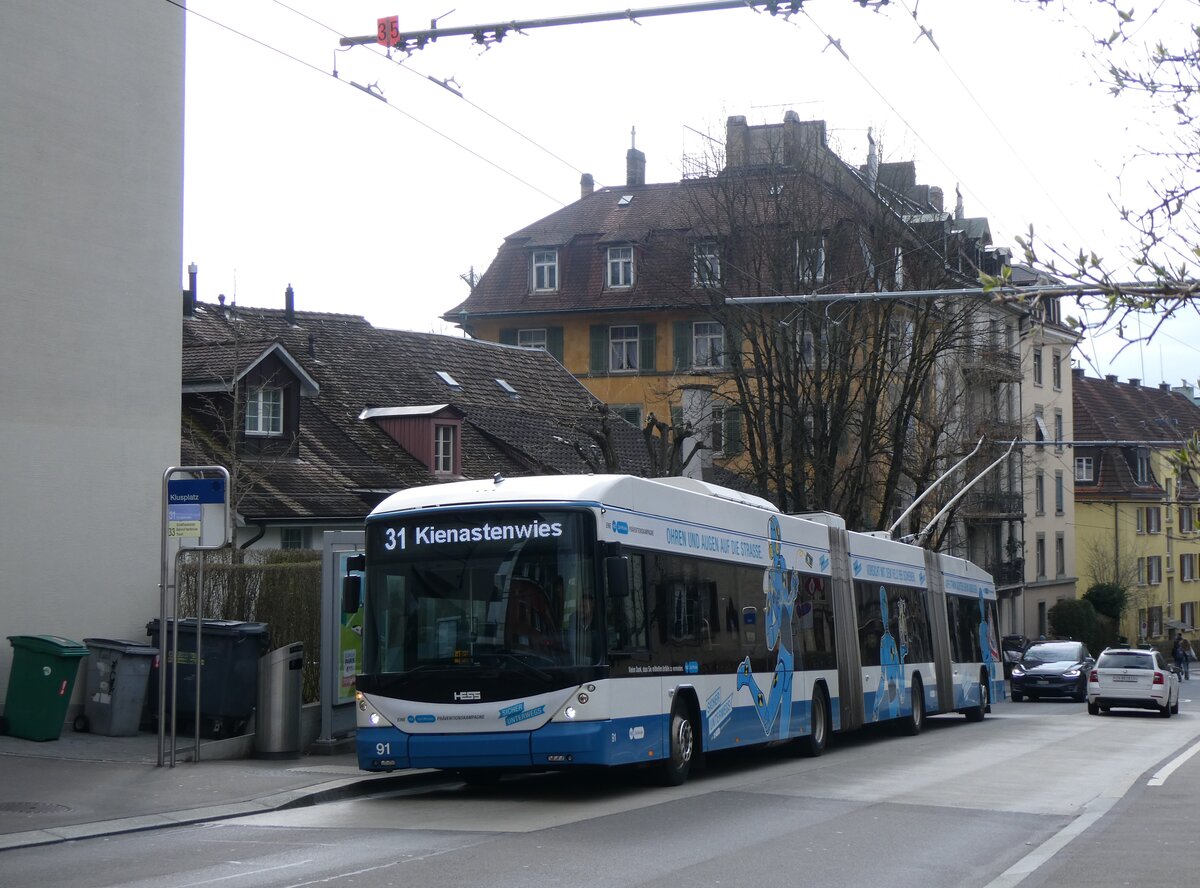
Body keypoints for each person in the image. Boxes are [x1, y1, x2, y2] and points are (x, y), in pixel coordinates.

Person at [566, 591, 602, 664]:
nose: (581, 610)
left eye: (585, 607)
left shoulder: (599, 624)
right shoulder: (573, 621)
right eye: (580, 607)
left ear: (592, 607)